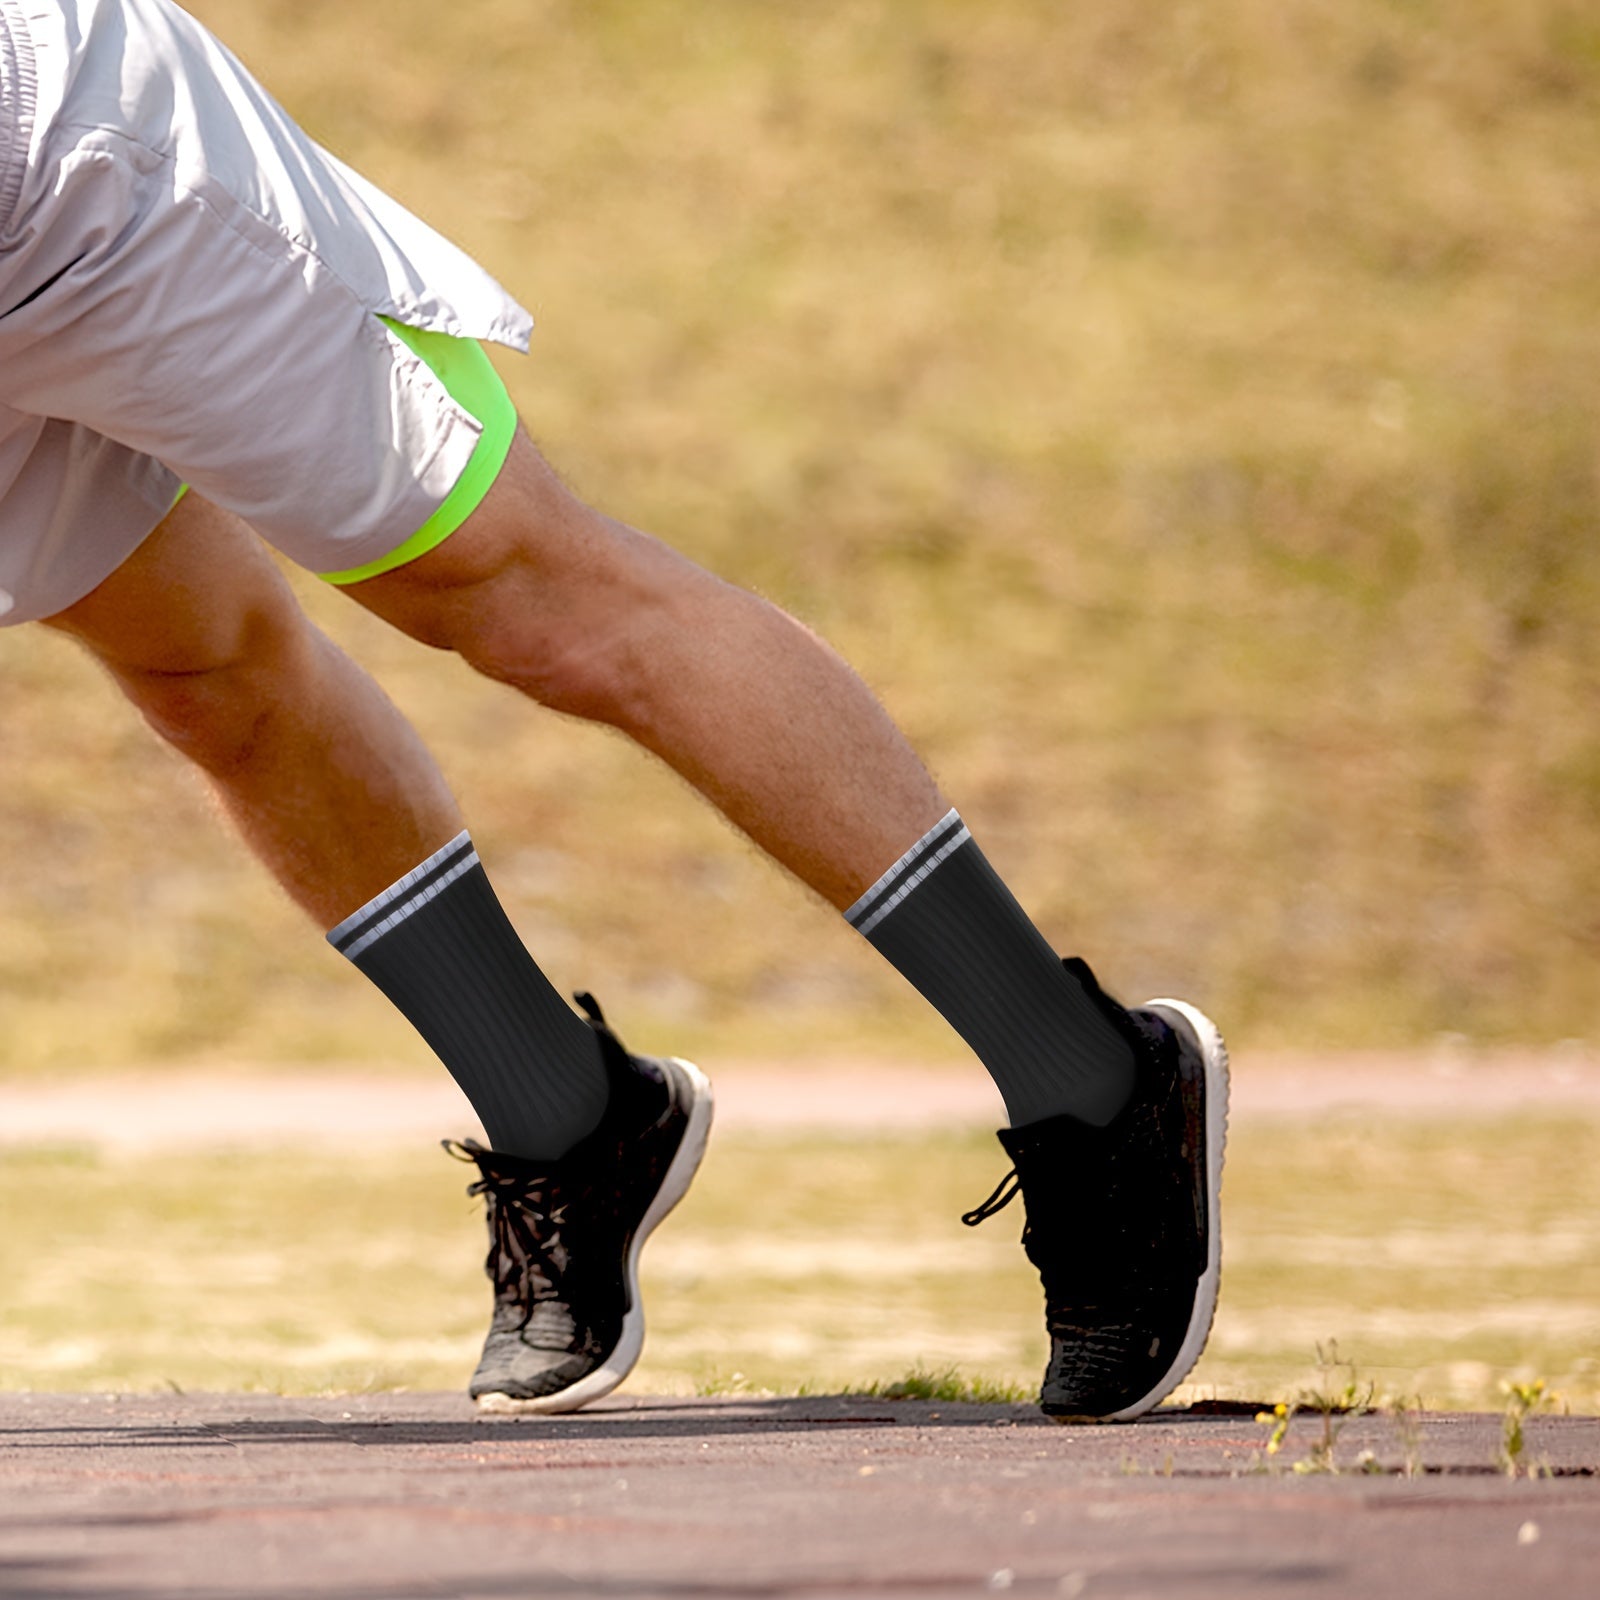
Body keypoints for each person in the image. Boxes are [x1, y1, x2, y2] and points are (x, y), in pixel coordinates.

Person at [0, 0, 1228, 1421]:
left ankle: (1092, 1084)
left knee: (535, 601)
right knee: (195, 667)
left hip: (73, 170)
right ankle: (569, 1119)